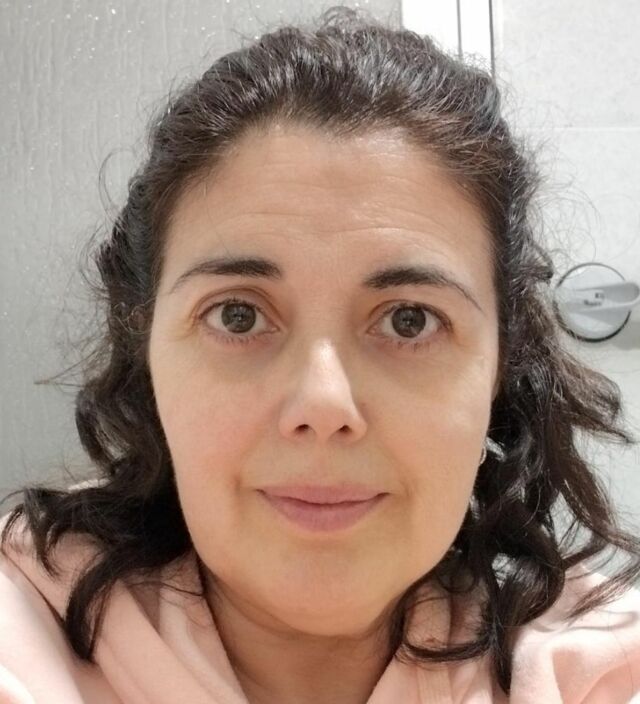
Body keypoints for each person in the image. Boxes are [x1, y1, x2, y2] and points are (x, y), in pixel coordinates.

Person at [1, 6, 639, 704]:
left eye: (409, 320)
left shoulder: (598, 670)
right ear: (148, 351)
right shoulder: (22, 626)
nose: (323, 404)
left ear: (499, 364)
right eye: (238, 315)